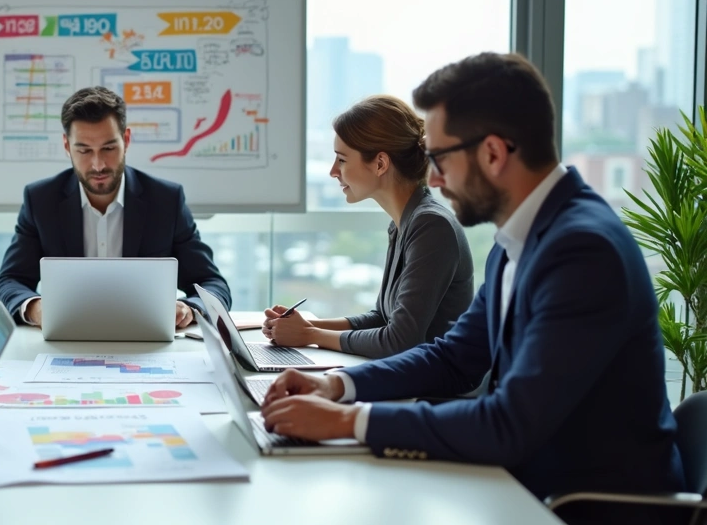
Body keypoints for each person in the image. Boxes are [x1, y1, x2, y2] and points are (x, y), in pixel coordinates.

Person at [258, 53, 683, 525]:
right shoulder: (517, 240)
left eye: (440, 159)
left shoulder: (583, 250)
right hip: (523, 483)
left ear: (494, 154)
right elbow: (454, 357)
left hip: (585, 506)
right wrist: (336, 386)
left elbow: (510, 423)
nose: (433, 178)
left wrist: (349, 421)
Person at [0, 86, 231, 328]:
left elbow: (213, 284)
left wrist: (189, 309)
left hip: (147, 344)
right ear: (67, 146)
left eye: (108, 148)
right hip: (68, 342)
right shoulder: (41, 200)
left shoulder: (166, 200)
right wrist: (36, 308)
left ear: (126, 140)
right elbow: (8, 283)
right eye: (84, 150)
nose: (98, 165)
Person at [262, 95, 474, 358]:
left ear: (380, 163)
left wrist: (309, 335)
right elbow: (381, 318)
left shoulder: (432, 226)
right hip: (410, 376)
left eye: (341, 159)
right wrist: (303, 326)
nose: (332, 171)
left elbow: (399, 340)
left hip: (437, 391)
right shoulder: (404, 223)